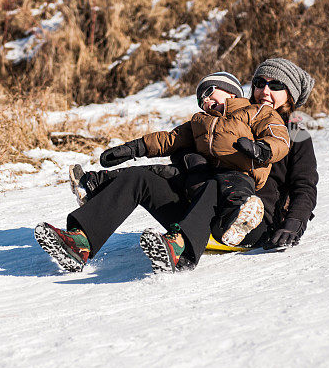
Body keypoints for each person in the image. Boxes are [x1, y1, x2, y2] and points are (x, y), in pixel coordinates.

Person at [34, 71, 291, 273]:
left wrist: (263, 151)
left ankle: (204, 234)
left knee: (220, 184)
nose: (206, 100)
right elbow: (167, 139)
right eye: (201, 98)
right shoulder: (199, 122)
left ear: (231, 91)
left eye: (210, 92)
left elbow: (278, 136)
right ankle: (80, 243)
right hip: (198, 203)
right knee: (142, 178)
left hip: (236, 191)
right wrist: (132, 148)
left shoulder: (255, 112)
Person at [72, 58, 318, 254]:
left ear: (291, 95)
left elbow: (305, 186)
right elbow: (175, 144)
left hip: (247, 222)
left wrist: (294, 223)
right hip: (201, 212)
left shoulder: (295, 134)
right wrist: (182, 158)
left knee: (216, 180)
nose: (265, 91)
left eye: (275, 86)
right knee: (141, 178)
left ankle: (180, 246)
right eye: (259, 83)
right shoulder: (226, 118)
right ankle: (80, 241)